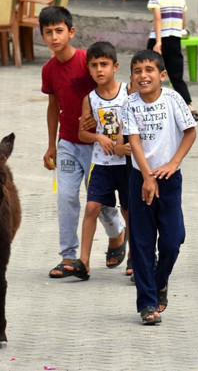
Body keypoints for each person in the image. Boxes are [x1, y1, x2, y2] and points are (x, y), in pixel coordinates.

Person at [40, 6, 126, 280]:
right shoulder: (48, 69)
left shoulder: (87, 61)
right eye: (48, 32)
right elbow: (53, 106)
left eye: (59, 31)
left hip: (98, 147)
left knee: (99, 203)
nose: (54, 37)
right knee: (66, 197)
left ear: (71, 32)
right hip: (67, 142)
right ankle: (68, 256)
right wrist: (51, 144)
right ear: (42, 36)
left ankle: (118, 235)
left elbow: (109, 93)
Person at [121, 49, 197, 325]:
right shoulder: (129, 104)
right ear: (131, 77)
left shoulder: (173, 98)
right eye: (138, 71)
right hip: (140, 178)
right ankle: (147, 303)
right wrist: (147, 177)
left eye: (149, 70)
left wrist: (173, 163)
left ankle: (159, 279)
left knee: (173, 239)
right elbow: (134, 141)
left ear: (162, 75)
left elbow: (190, 132)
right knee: (141, 242)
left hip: (170, 179)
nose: (144, 76)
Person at [75, 41, 133, 280]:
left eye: (104, 65)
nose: (99, 70)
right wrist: (98, 136)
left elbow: (134, 122)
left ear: (115, 66)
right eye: (94, 65)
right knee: (92, 207)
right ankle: (84, 261)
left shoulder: (128, 92)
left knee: (131, 211)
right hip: (101, 165)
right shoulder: (90, 99)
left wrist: (122, 144)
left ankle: (135, 259)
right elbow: (82, 133)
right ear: (89, 69)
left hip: (127, 165)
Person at [145, 0, 198, 121]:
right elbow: (182, 24)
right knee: (176, 75)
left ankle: (146, 104)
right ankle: (189, 106)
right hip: (175, 40)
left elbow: (157, 19)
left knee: (148, 72)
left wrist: (158, 42)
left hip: (158, 40)